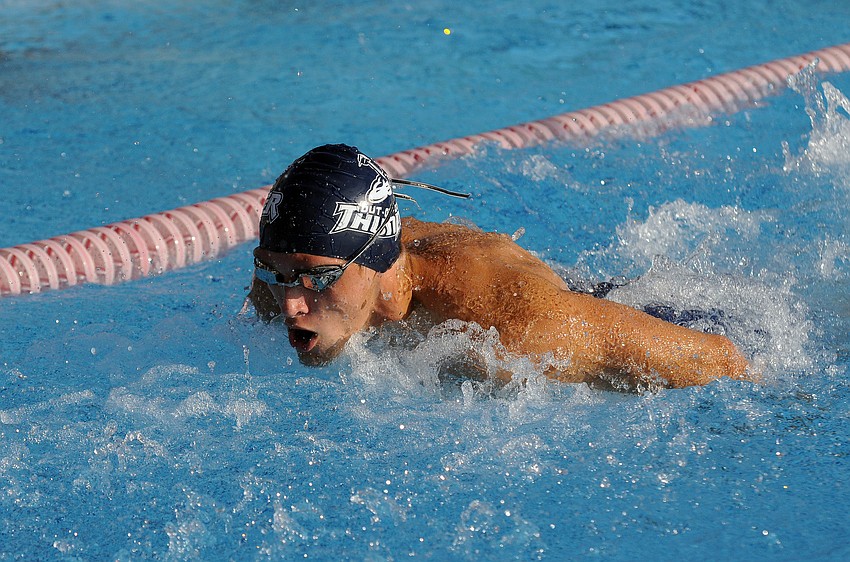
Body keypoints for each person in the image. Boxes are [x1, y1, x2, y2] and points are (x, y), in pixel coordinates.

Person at [247, 144, 754, 390]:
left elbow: (724, 361)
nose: (291, 303)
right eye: (276, 271)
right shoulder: (286, 280)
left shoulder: (513, 324)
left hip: (661, 316)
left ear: (379, 262)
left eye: (320, 277)